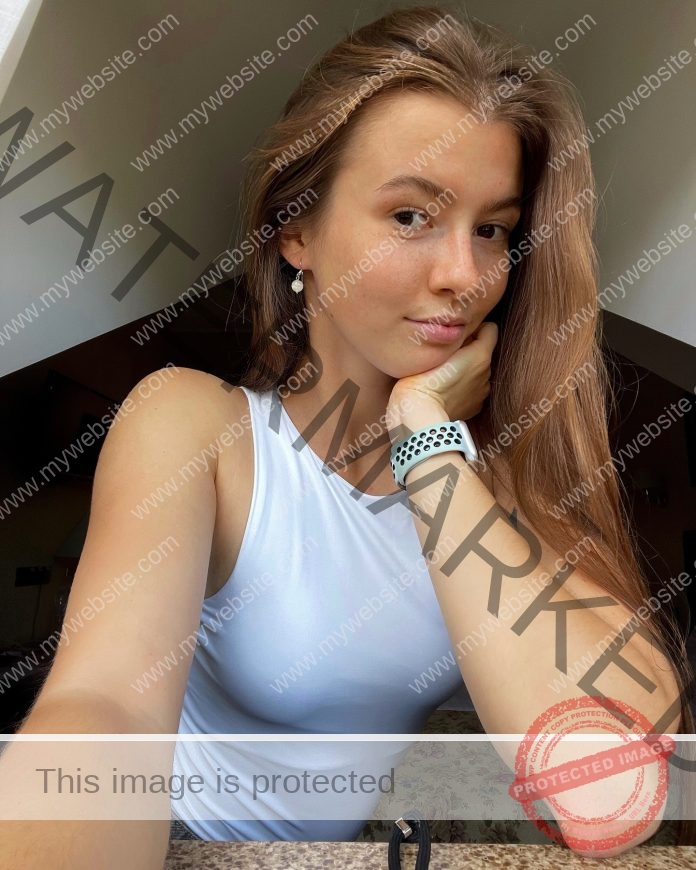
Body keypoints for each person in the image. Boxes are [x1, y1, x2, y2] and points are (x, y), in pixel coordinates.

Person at [2, 5, 693, 867]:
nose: (465, 276)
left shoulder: (498, 479)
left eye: (493, 230)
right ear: (298, 231)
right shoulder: (194, 425)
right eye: (411, 216)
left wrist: (424, 436)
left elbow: (606, 793)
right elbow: (102, 712)